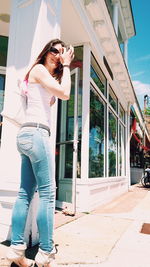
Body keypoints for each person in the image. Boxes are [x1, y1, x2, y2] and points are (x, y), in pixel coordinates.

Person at [6, 39, 74, 267]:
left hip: (27, 136)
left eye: (63, 53)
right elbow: (65, 93)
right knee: (47, 194)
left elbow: (54, 96)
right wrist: (66, 67)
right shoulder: (39, 70)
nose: (58, 55)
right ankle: (46, 252)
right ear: (46, 52)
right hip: (36, 134)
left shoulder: (43, 75)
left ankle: (16, 249)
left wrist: (60, 70)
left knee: (25, 193)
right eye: (55, 51)